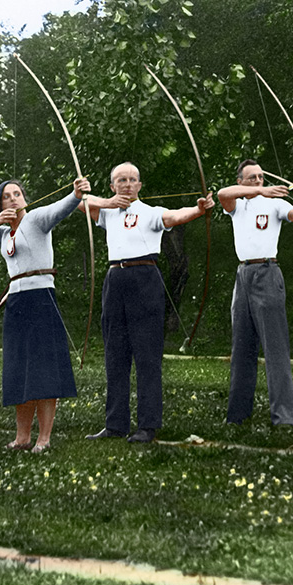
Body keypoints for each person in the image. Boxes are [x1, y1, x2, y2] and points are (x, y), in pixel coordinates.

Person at [82, 162, 213, 443]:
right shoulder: (107, 213)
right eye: (121, 180)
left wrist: (199, 209)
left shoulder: (150, 213)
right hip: (115, 279)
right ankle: (115, 424)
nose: (128, 184)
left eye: (133, 180)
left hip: (145, 278)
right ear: (112, 185)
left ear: (140, 186)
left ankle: (147, 425)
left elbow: (175, 216)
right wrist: (109, 202)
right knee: (115, 354)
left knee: (146, 356)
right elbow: (82, 203)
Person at [0, 176, 90, 451]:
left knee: (44, 370)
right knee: (20, 368)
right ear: (0, 205)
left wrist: (76, 194)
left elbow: (62, 207)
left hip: (41, 298)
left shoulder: (37, 220)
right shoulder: (2, 232)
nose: (13, 199)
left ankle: (43, 438)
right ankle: (22, 437)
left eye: (17, 194)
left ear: (25, 198)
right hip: (17, 301)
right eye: (6, 196)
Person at [217, 160, 293, 426]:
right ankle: (237, 414)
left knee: (275, 347)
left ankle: (284, 417)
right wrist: (258, 192)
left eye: (261, 178)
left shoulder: (274, 203)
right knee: (241, 347)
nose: (257, 181)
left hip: (268, 271)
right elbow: (222, 195)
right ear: (240, 181)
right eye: (251, 177)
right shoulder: (238, 203)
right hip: (243, 275)